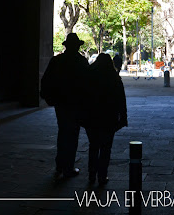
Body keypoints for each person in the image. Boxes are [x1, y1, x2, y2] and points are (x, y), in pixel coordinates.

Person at [40, 33, 88, 180]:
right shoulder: (81, 61)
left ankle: (60, 165)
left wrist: (48, 97)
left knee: (62, 132)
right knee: (73, 134)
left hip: (60, 102)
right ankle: (68, 167)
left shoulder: (57, 60)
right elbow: (88, 84)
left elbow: (46, 79)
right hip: (76, 103)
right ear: (77, 46)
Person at [81, 53, 128, 185]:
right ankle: (102, 175)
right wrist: (123, 117)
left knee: (93, 146)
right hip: (109, 117)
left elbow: (82, 97)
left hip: (91, 117)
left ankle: (91, 174)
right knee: (106, 148)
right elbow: (121, 99)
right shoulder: (113, 77)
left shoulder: (89, 76)